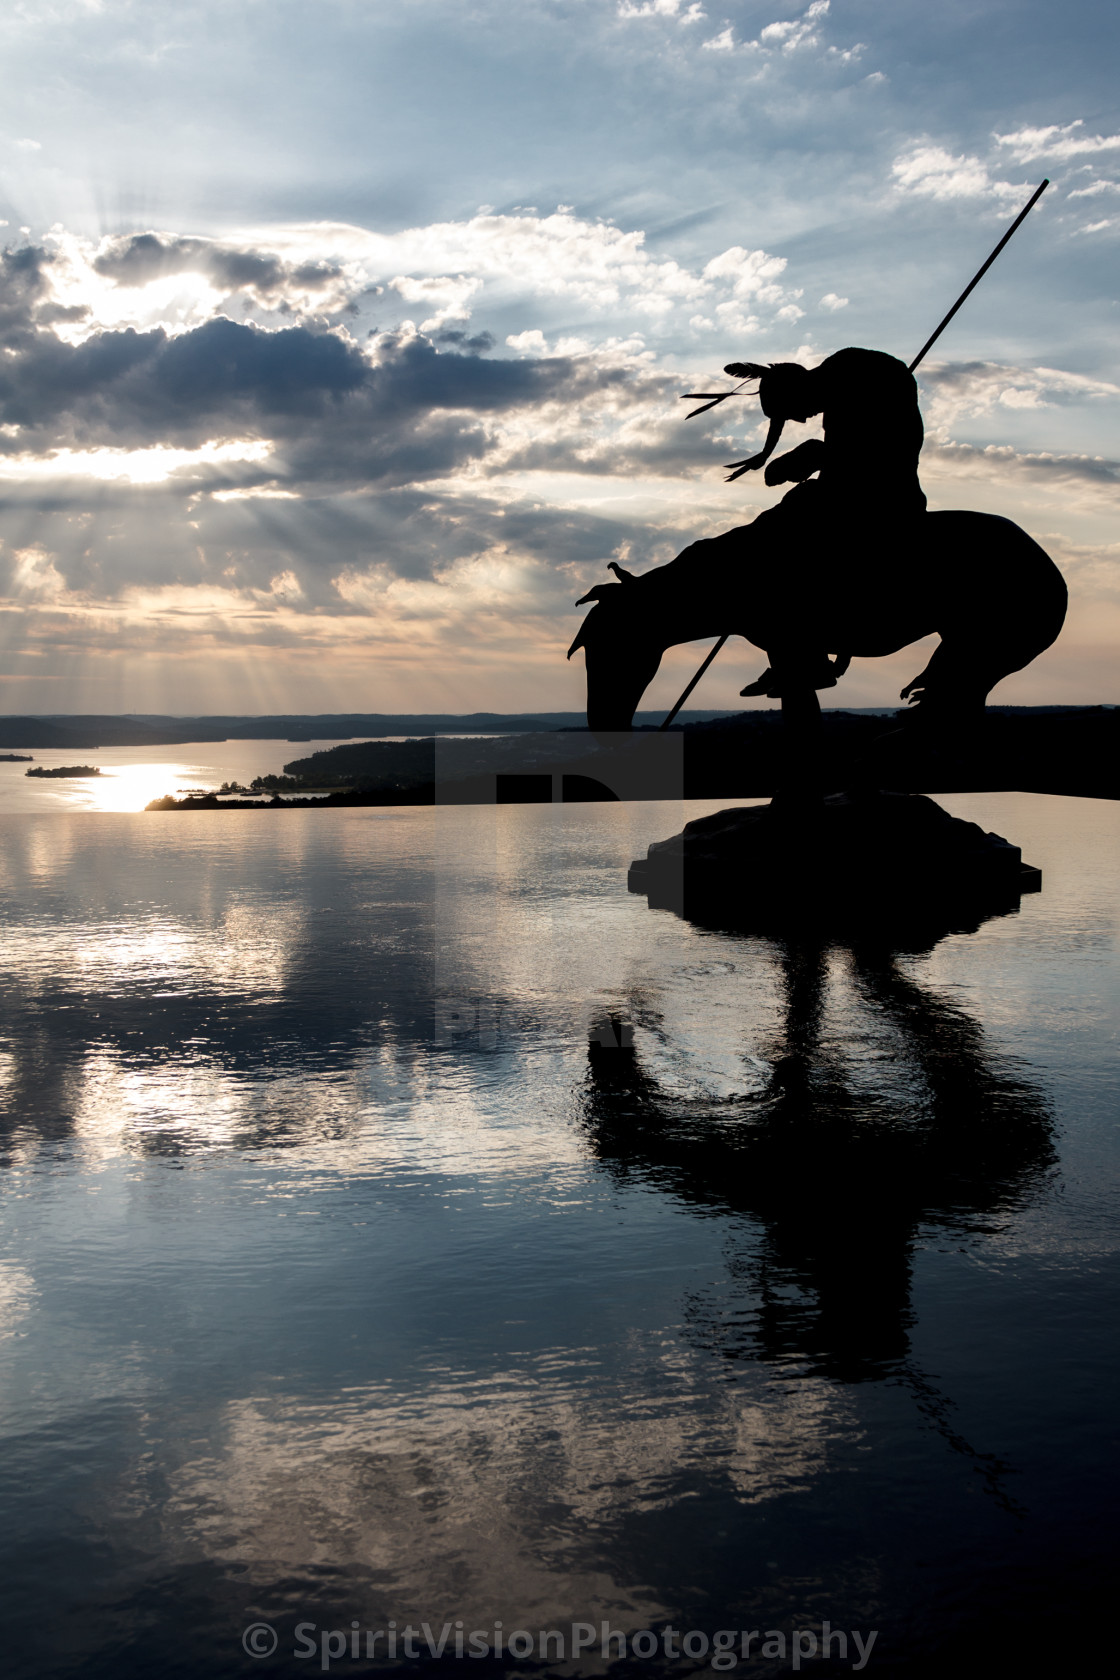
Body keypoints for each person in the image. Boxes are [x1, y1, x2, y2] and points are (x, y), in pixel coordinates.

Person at [716, 347, 927, 696]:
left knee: (783, 534)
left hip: (879, 498)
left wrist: (811, 455)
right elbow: (831, 449)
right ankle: (795, 654)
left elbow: (874, 453)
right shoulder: (836, 389)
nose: (799, 421)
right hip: (853, 493)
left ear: (798, 386)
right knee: (780, 525)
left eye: (791, 411)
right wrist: (791, 458)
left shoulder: (852, 373)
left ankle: (801, 655)